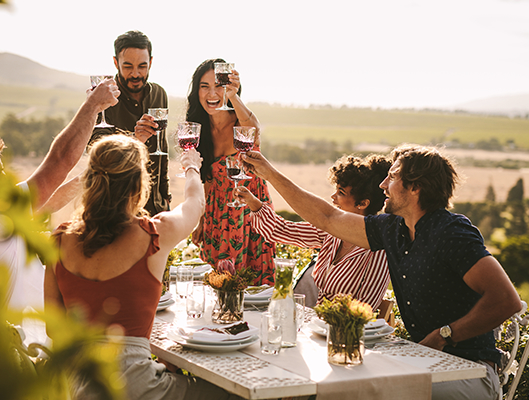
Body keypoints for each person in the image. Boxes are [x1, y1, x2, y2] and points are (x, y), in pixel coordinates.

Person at [241, 145, 522, 400]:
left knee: (359, 390)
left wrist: (444, 335)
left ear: (415, 187)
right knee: (335, 382)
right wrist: (268, 172)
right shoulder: (393, 229)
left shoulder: (452, 233)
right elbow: (328, 218)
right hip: (422, 361)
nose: (382, 184)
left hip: (471, 372)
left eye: (393, 176)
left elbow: (506, 300)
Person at [43, 135, 241, 400]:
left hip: (77, 385)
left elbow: (54, 330)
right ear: (139, 185)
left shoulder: (58, 240)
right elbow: (195, 204)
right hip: (135, 388)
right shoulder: (155, 234)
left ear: (89, 182)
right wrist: (192, 166)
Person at [0, 79, 120, 310]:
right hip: (8, 343)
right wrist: (92, 106)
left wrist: (92, 175)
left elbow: (46, 202)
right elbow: (60, 160)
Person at [236, 154, 391, 310]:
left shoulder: (378, 251)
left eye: (341, 193)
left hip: (345, 329)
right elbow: (282, 230)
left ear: (363, 203)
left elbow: (364, 308)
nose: (333, 197)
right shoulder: (331, 233)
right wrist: (254, 203)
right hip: (318, 324)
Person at [187, 59, 275, 285]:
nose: (211, 93)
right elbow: (207, 179)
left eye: (219, 86)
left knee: (253, 290)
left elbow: (253, 128)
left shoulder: (241, 122)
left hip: (250, 213)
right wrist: (201, 220)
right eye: (204, 86)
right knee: (219, 287)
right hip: (217, 216)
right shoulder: (198, 129)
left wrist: (234, 96)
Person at [89, 30, 170, 216]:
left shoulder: (159, 94)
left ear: (150, 62)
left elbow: (161, 151)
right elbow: (96, 156)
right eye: (127, 67)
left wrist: (165, 199)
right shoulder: (101, 98)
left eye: (142, 66)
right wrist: (134, 139)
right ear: (115, 63)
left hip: (155, 208)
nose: (136, 74)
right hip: (113, 209)